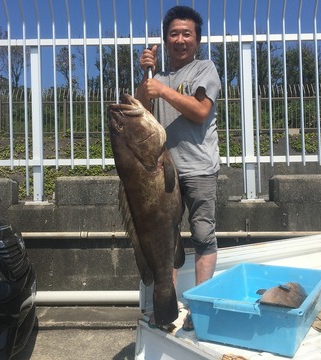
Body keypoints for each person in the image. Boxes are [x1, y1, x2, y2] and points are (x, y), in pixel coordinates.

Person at [136, 5, 221, 331]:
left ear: (196, 39)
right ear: (166, 39)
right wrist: (146, 76)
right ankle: (165, 307)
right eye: (174, 34)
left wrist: (163, 90)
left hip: (199, 168)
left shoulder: (205, 70)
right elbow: (142, 114)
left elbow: (200, 111)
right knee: (165, 242)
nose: (180, 39)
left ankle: (198, 308)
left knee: (202, 237)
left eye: (187, 33)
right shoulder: (156, 78)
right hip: (162, 174)